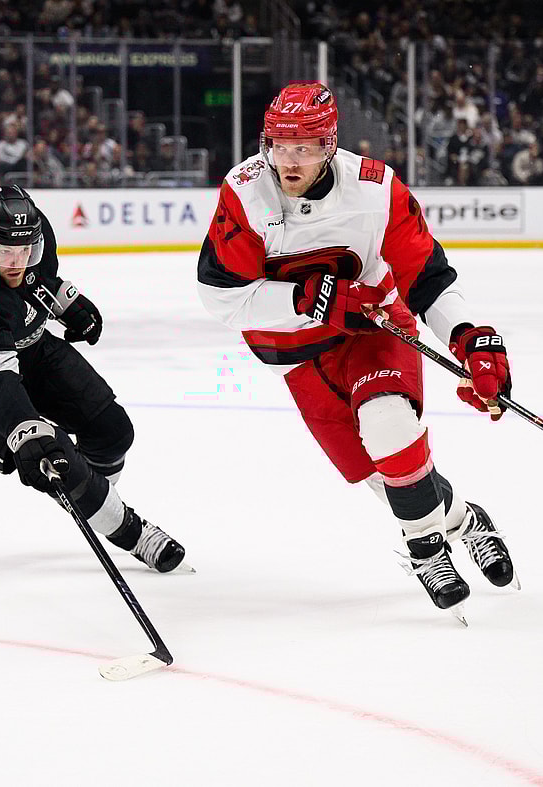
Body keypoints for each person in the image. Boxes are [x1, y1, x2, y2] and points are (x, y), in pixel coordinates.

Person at [196, 82, 515, 620]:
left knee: (389, 425)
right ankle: (463, 520)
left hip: (373, 329)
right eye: (278, 145)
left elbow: (429, 278)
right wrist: (307, 300)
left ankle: (427, 552)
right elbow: (221, 297)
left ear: (329, 146)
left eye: (303, 147)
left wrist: (471, 339)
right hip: (298, 354)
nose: (287, 160)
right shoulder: (245, 192)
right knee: (382, 477)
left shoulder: (375, 189)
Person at [0, 184, 188, 574]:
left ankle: (92, 500)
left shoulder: (32, 232)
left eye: (25, 250)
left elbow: (37, 278)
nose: (16, 261)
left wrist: (66, 302)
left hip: (24, 340)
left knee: (113, 432)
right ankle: (131, 532)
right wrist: (23, 428)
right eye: (3, 253)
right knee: (45, 451)